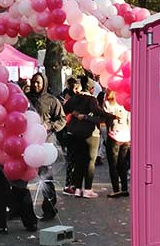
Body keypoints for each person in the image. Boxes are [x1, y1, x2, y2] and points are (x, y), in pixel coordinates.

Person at [26, 72, 64, 220]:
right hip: (26, 143)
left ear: (44, 84)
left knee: (45, 177)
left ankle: (49, 208)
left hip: (45, 143)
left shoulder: (52, 100)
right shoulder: (25, 98)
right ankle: (20, 209)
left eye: (38, 82)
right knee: (22, 177)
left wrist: (49, 126)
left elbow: (61, 120)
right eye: (34, 82)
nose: (35, 85)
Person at [63, 76, 109, 198]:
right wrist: (108, 116)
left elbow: (64, 109)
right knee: (90, 161)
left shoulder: (74, 98)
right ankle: (88, 189)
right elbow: (99, 114)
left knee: (79, 160)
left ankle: (78, 188)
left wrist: (74, 113)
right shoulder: (91, 99)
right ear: (92, 89)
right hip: (90, 134)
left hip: (75, 132)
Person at [103, 89, 131, 198]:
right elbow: (130, 120)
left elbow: (105, 119)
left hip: (113, 136)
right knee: (122, 163)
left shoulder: (107, 104)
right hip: (125, 135)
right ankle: (124, 188)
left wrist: (113, 117)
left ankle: (116, 190)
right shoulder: (125, 103)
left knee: (113, 164)